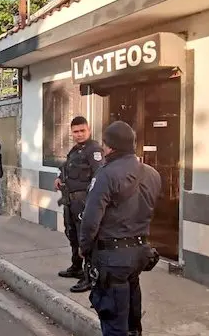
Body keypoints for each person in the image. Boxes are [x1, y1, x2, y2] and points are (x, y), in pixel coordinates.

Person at [79, 121, 162, 336]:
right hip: (139, 254)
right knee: (132, 321)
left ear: (110, 147)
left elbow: (90, 220)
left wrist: (84, 247)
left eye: (105, 145)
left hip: (112, 258)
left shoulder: (105, 174)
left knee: (114, 323)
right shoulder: (152, 174)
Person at [54, 116, 104, 293]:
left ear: (88, 130)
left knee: (86, 238)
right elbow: (67, 168)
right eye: (75, 131)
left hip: (84, 202)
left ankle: (89, 276)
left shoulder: (94, 150)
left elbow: (99, 176)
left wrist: (91, 203)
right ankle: (76, 267)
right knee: (72, 234)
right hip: (71, 201)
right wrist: (60, 178)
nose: (79, 134)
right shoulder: (75, 150)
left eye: (82, 130)